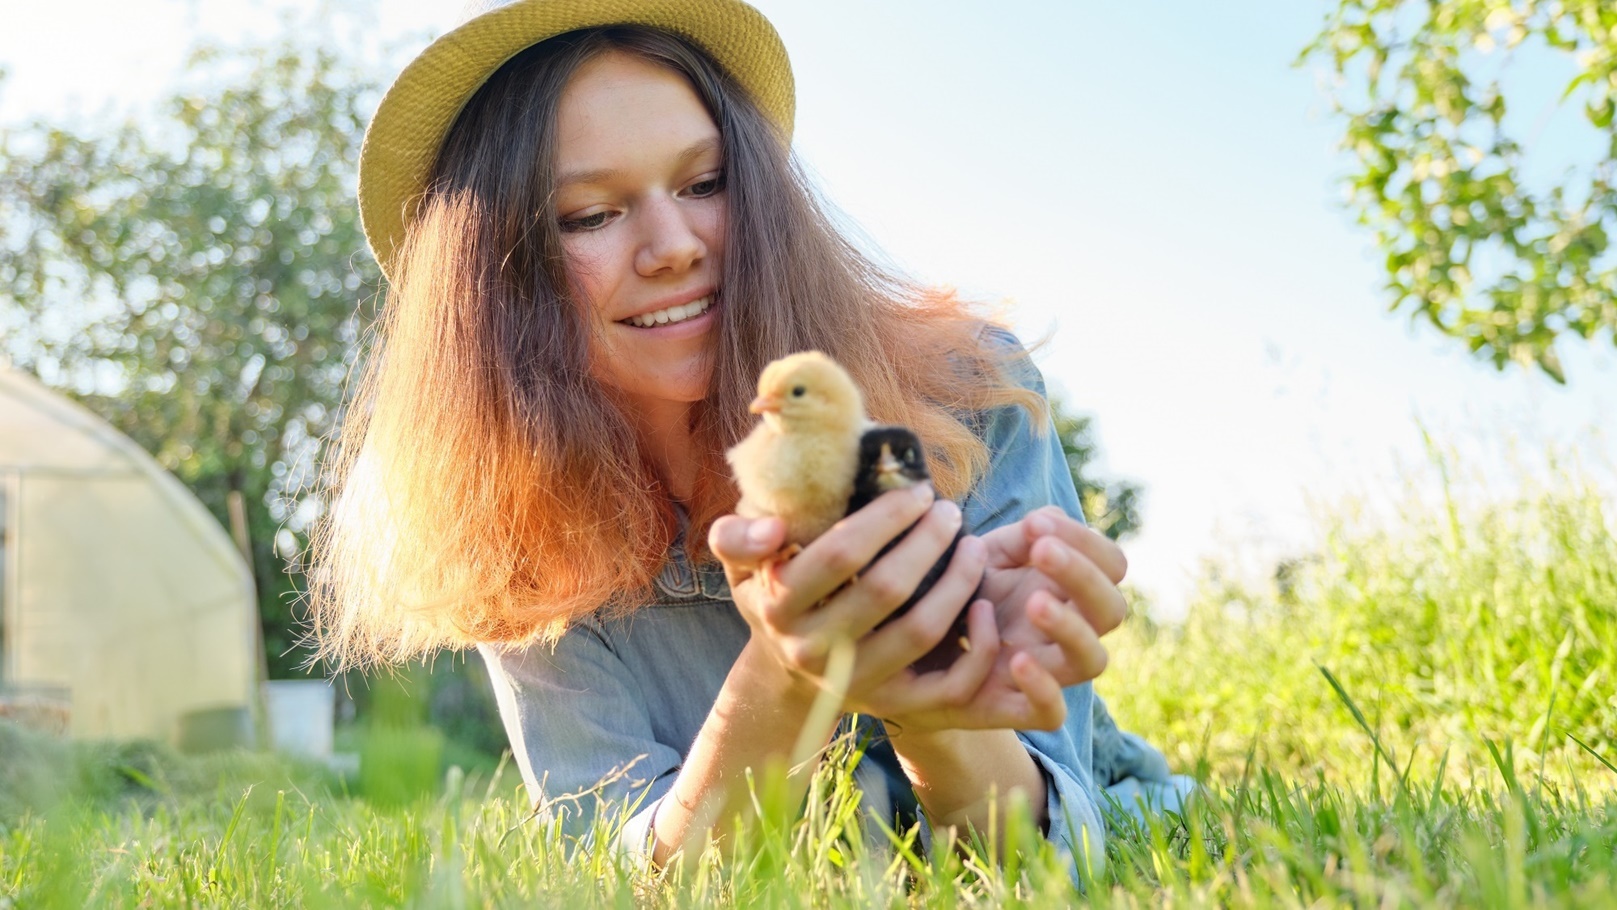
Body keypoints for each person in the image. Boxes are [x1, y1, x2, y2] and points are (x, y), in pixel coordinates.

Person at [311, 0, 1190, 873]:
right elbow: (631, 879)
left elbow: (1048, 858)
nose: (671, 246)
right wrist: (791, 673)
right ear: (494, 278)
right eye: (589, 216)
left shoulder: (958, 400)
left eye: (705, 184)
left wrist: (927, 693)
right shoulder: (510, 521)